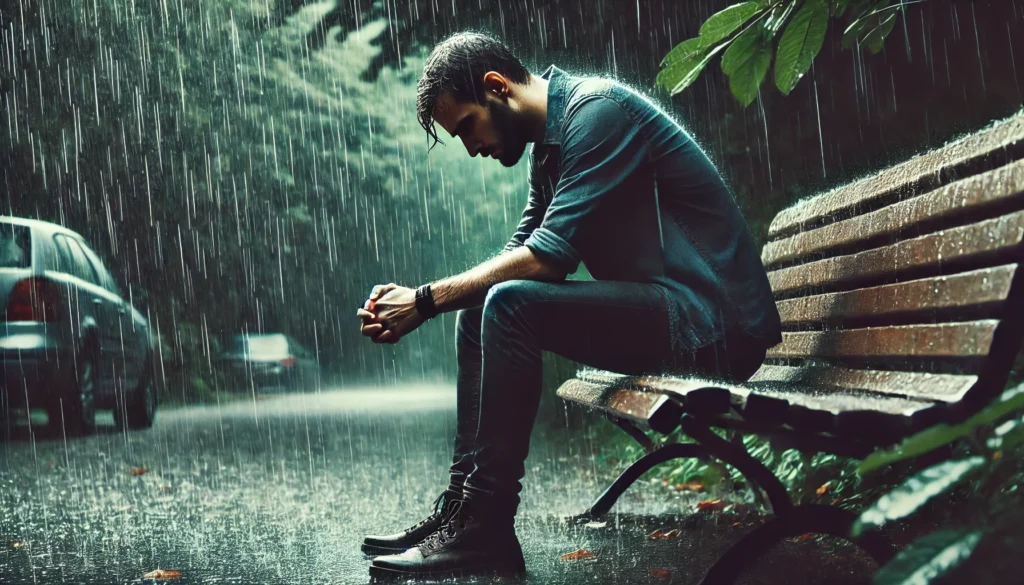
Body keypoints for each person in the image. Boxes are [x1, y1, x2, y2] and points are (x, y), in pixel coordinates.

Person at [355, 32, 782, 579]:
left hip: (714, 327)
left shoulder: (597, 114)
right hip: (676, 316)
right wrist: (436, 299)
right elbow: (520, 251)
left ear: (497, 88)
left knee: (509, 304)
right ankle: (463, 510)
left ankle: (485, 522)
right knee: (479, 306)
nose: (470, 146)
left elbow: (547, 259)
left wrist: (423, 299)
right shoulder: (551, 148)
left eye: (466, 126)